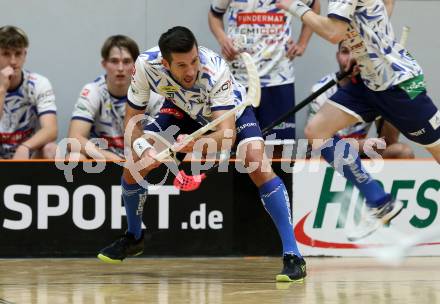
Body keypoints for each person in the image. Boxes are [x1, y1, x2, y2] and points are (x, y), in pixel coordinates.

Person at [97, 26, 306, 282]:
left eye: (194, 61)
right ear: (165, 63)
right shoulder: (145, 66)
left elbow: (226, 135)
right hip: (181, 110)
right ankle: (134, 237)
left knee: (256, 163)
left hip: (230, 114)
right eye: (182, 65)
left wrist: (193, 146)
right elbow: (132, 121)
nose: (191, 71)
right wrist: (145, 149)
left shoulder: (215, 70)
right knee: (134, 166)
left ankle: (293, 255)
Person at [276, 0, 440, 240]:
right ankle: (378, 200)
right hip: (366, 80)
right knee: (316, 131)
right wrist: (365, 48)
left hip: (397, 84)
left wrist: (294, 6)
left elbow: (333, 33)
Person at [208, 0, 320, 151]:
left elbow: (314, 4)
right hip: (240, 79)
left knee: (279, 149)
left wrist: (302, 43)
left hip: (278, 77)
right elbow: (214, 14)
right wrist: (223, 40)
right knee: (241, 149)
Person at [308, 42, 414, 159]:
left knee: (402, 151)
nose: (351, 58)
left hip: (361, 154)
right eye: (345, 52)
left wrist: (392, 99)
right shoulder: (320, 90)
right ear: (337, 56)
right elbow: (316, 143)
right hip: (329, 153)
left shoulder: (376, 87)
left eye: (357, 52)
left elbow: (389, 141)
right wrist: (361, 145)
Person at [68, 35, 163, 160]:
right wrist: (112, 158)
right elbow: (74, 139)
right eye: (114, 61)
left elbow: (164, 138)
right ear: (104, 64)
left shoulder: (152, 93)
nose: (120, 68)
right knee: (74, 157)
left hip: (142, 159)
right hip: (104, 160)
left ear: (136, 65)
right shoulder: (93, 91)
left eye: (126, 61)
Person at [0, 25, 58, 159]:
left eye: (18, 54)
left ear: (25, 55)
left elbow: (51, 130)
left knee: (51, 149)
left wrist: (25, 147)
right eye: (6, 54)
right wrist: (2, 89)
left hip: (28, 154)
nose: (13, 61)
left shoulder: (39, 83)